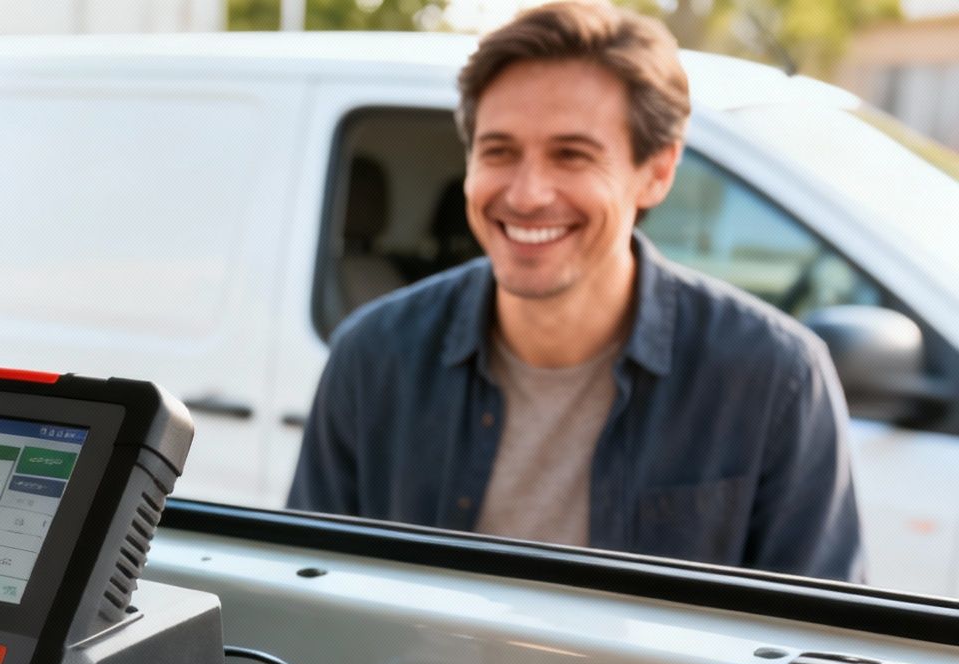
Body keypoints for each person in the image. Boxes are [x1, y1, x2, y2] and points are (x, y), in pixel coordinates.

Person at [286, 0, 866, 582]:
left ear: (657, 172)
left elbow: (816, 634)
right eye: (499, 151)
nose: (527, 194)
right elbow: (308, 598)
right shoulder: (372, 357)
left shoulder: (774, 381)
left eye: (572, 155)